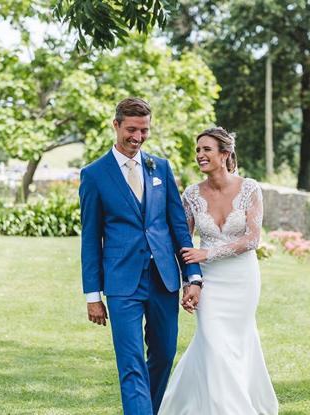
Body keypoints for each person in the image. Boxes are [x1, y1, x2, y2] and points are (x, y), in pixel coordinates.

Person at [79, 97, 203, 415]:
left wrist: (193, 276)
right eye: (131, 129)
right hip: (122, 283)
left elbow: (178, 226)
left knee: (163, 354)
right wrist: (93, 295)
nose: (137, 137)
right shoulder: (94, 175)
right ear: (116, 125)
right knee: (131, 363)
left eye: (144, 130)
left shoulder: (159, 167)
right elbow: (91, 239)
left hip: (164, 278)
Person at [158, 127, 279, 415]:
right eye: (198, 150)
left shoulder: (250, 189)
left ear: (225, 154)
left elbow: (252, 239)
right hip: (209, 281)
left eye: (206, 149)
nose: (200, 155)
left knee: (239, 339)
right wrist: (191, 282)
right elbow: (183, 243)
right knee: (212, 341)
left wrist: (208, 252)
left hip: (242, 279)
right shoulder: (191, 195)